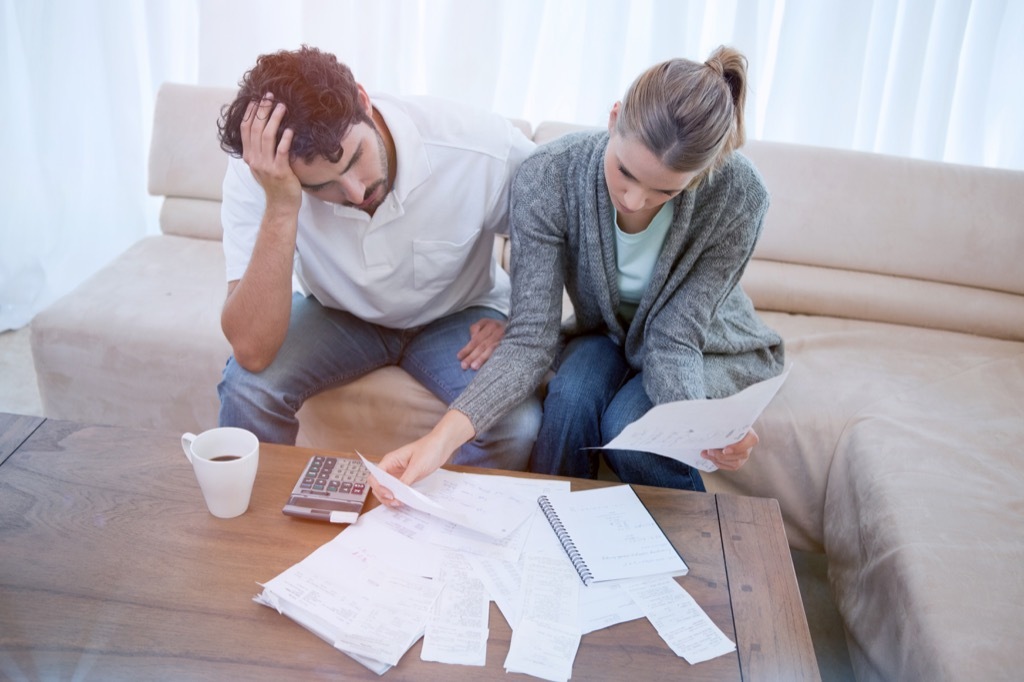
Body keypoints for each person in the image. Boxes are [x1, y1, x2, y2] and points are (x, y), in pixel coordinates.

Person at [372, 46, 784, 502]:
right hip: (605, 334)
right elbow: (531, 340)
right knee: (568, 401)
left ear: (702, 172)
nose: (632, 199)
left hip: (702, 346)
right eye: (624, 171)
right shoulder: (548, 175)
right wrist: (438, 442)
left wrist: (700, 430)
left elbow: (674, 338)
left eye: (663, 191)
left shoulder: (740, 195)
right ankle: (548, 540)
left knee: (629, 427)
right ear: (613, 118)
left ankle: (709, 555)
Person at [215, 46, 540, 470]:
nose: (354, 192)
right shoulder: (261, 172)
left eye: (354, 159)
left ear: (364, 101)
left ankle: (448, 532)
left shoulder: (481, 148)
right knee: (247, 388)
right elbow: (252, 351)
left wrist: (521, 321)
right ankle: (260, 533)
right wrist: (281, 205)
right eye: (321, 187)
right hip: (338, 315)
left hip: (457, 314)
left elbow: (563, 231)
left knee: (514, 423)